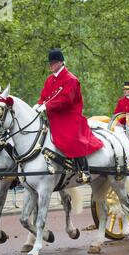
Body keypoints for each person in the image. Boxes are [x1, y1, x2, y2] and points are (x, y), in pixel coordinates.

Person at [33, 48, 103, 182]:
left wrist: (46, 106)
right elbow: (44, 96)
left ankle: (84, 170)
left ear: (60, 62)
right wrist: (39, 104)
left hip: (69, 116)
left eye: (53, 63)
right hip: (53, 117)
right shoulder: (49, 80)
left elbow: (66, 100)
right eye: (50, 63)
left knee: (71, 138)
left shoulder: (71, 79)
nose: (50, 65)